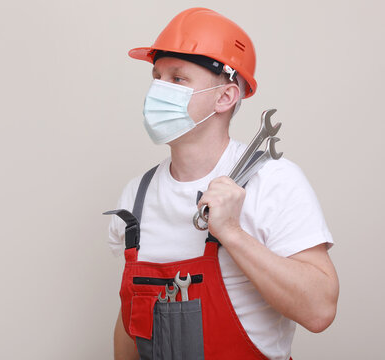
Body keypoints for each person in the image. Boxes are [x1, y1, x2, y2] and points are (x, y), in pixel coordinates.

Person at [105, 7, 339, 360]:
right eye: (156, 76)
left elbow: (320, 309)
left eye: (177, 78)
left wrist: (231, 232)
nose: (158, 90)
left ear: (225, 97)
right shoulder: (135, 198)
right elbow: (129, 326)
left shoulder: (273, 181)